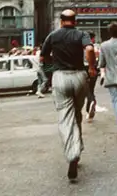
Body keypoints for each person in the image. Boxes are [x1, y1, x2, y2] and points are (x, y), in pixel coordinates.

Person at [40, 9, 96, 183]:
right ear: (75, 21)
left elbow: (43, 58)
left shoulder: (53, 35)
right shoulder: (81, 34)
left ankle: (73, 154)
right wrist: (91, 67)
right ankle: (78, 145)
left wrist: (51, 71)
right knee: (76, 113)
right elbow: (89, 49)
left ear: (61, 21)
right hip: (79, 76)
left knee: (66, 116)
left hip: (60, 77)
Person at [98, 23, 117, 141]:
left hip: (110, 76)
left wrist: (102, 74)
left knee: (116, 100)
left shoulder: (104, 45)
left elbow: (101, 63)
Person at [84, 32, 99, 121]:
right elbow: (97, 58)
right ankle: (89, 108)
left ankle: (91, 102)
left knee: (87, 89)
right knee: (91, 89)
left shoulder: (82, 46)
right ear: (92, 38)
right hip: (93, 68)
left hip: (84, 69)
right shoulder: (94, 47)